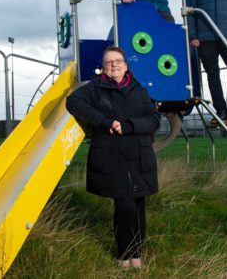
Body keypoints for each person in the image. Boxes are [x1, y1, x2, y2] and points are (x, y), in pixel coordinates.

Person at [66, 46, 160, 269]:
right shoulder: (94, 88)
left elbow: (154, 119)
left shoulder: (139, 89)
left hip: (139, 154)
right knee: (124, 204)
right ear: (104, 67)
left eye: (118, 61)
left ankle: (137, 254)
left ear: (126, 65)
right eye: (109, 62)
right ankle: (124, 255)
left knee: (138, 205)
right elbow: (73, 103)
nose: (114, 65)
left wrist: (129, 126)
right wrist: (104, 121)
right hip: (112, 155)